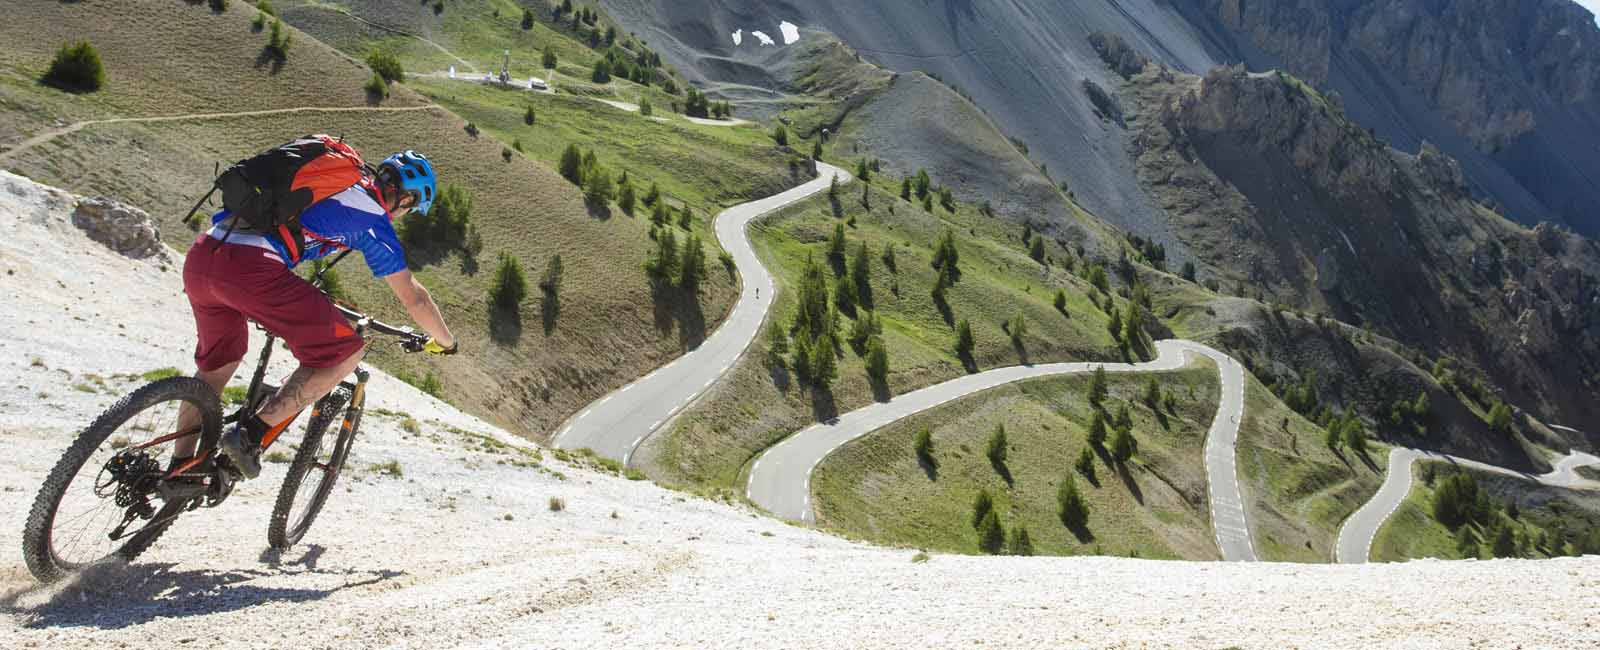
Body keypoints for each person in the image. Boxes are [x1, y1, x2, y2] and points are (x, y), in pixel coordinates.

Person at [175, 150, 459, 480]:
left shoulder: (334, 183)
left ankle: (178, 469)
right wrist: (447, 343)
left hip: (204, 253)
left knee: (217, 366)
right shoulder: (372, 219)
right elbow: (414, 298)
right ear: (407, 197)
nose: (404, 214)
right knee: (345, 352)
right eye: (410, 208)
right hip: (250, 269)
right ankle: (249, 436)